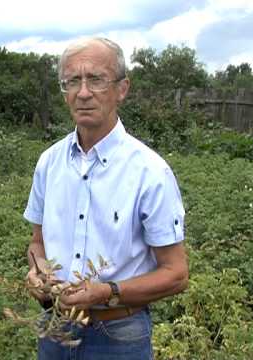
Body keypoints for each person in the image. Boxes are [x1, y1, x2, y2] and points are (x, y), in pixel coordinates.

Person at [23, 37, 189, 360]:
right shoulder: (49, 162)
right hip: (55, 326)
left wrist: (108, 292)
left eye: (96, 79)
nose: (83, 92)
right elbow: (37, 243)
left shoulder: (150, 171)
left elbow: (176, 273)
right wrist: (39, 272)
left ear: (121, 89)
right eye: (72, 81)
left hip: (119, 335)